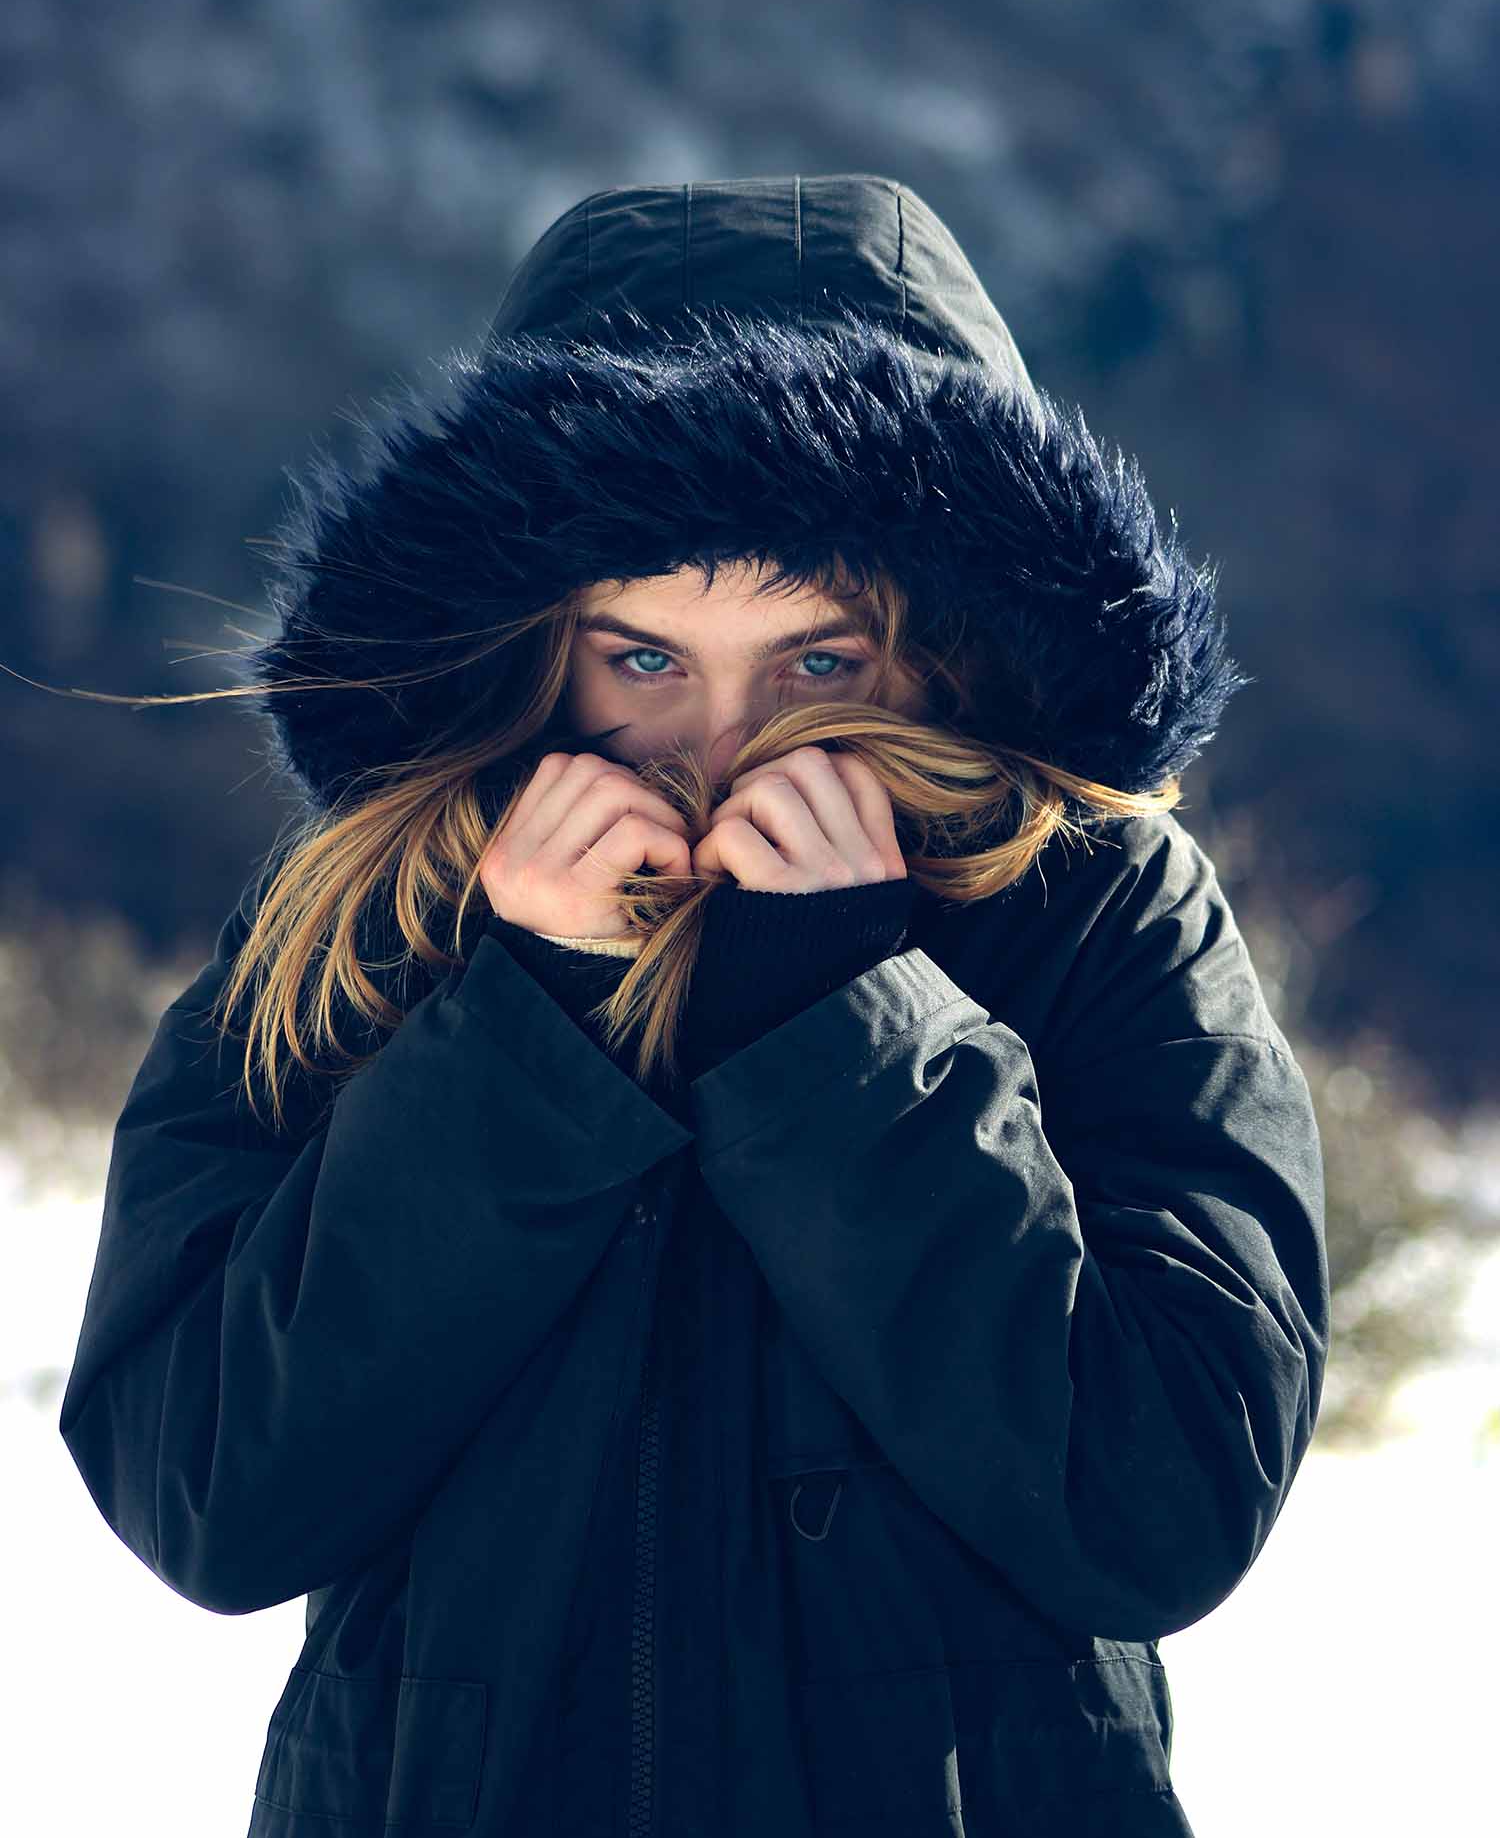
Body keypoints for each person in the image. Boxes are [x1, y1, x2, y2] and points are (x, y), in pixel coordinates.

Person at [58, 174, 1329, 1838]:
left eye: (818, 661)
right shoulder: (368, 912)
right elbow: (205, 1483)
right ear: (528, 639)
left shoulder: (1096, 907)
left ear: (944, 645)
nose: (723, 743)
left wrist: (847, 1025)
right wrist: (528, 1021)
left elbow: (1163, 1499)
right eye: (642, 658)